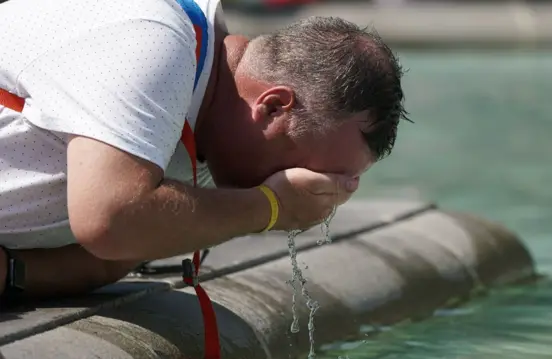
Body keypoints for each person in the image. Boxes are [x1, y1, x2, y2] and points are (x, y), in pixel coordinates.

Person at [0, 0, 408, 301]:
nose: (307, 187)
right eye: (306, 171)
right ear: (271, 106)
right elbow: (111, 220)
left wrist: (12, 274)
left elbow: (114, 256)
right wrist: (271, 206)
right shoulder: (153, 40)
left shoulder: (207, 123)